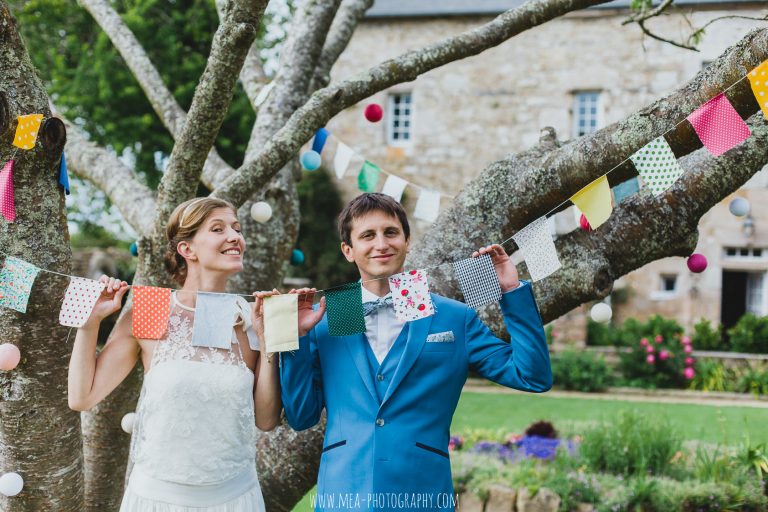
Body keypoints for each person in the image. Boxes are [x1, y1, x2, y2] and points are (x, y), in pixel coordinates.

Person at [280, 193, 553, 511]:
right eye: (368, 235)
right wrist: (295, 338)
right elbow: (301, 416)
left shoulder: (454, 317)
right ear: (348, 250)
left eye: (390, 232)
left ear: (407, 241)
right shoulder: (332, 312)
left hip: (423, 492)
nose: (381, 244)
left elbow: (531, 376)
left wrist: (511, 292)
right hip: (344, 493)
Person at [67, 197, 280, 511]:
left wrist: (269, 340)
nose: (235, 237)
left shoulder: (252, 318)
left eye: (236, 228)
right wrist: (89, 326)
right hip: (157, 499)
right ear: (187, 249)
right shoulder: (150, 308)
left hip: (235, 498)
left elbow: (266, 419)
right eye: (218, 229)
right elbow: (81, 397)